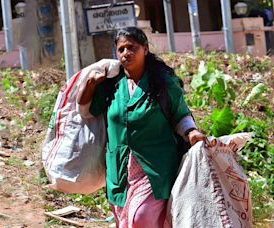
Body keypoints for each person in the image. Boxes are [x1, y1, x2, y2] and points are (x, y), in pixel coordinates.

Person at [77, 27, 206, 227]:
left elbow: (181, 114)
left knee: (140, 218)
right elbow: (87, 111)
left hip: (155, 168)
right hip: (120, 170)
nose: (126, 53)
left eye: (132, 47)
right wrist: (91, 85)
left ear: (145, 49)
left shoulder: (163, 83)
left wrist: (192, 132)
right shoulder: (112, 85)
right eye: (121, 49)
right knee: (124, 219)